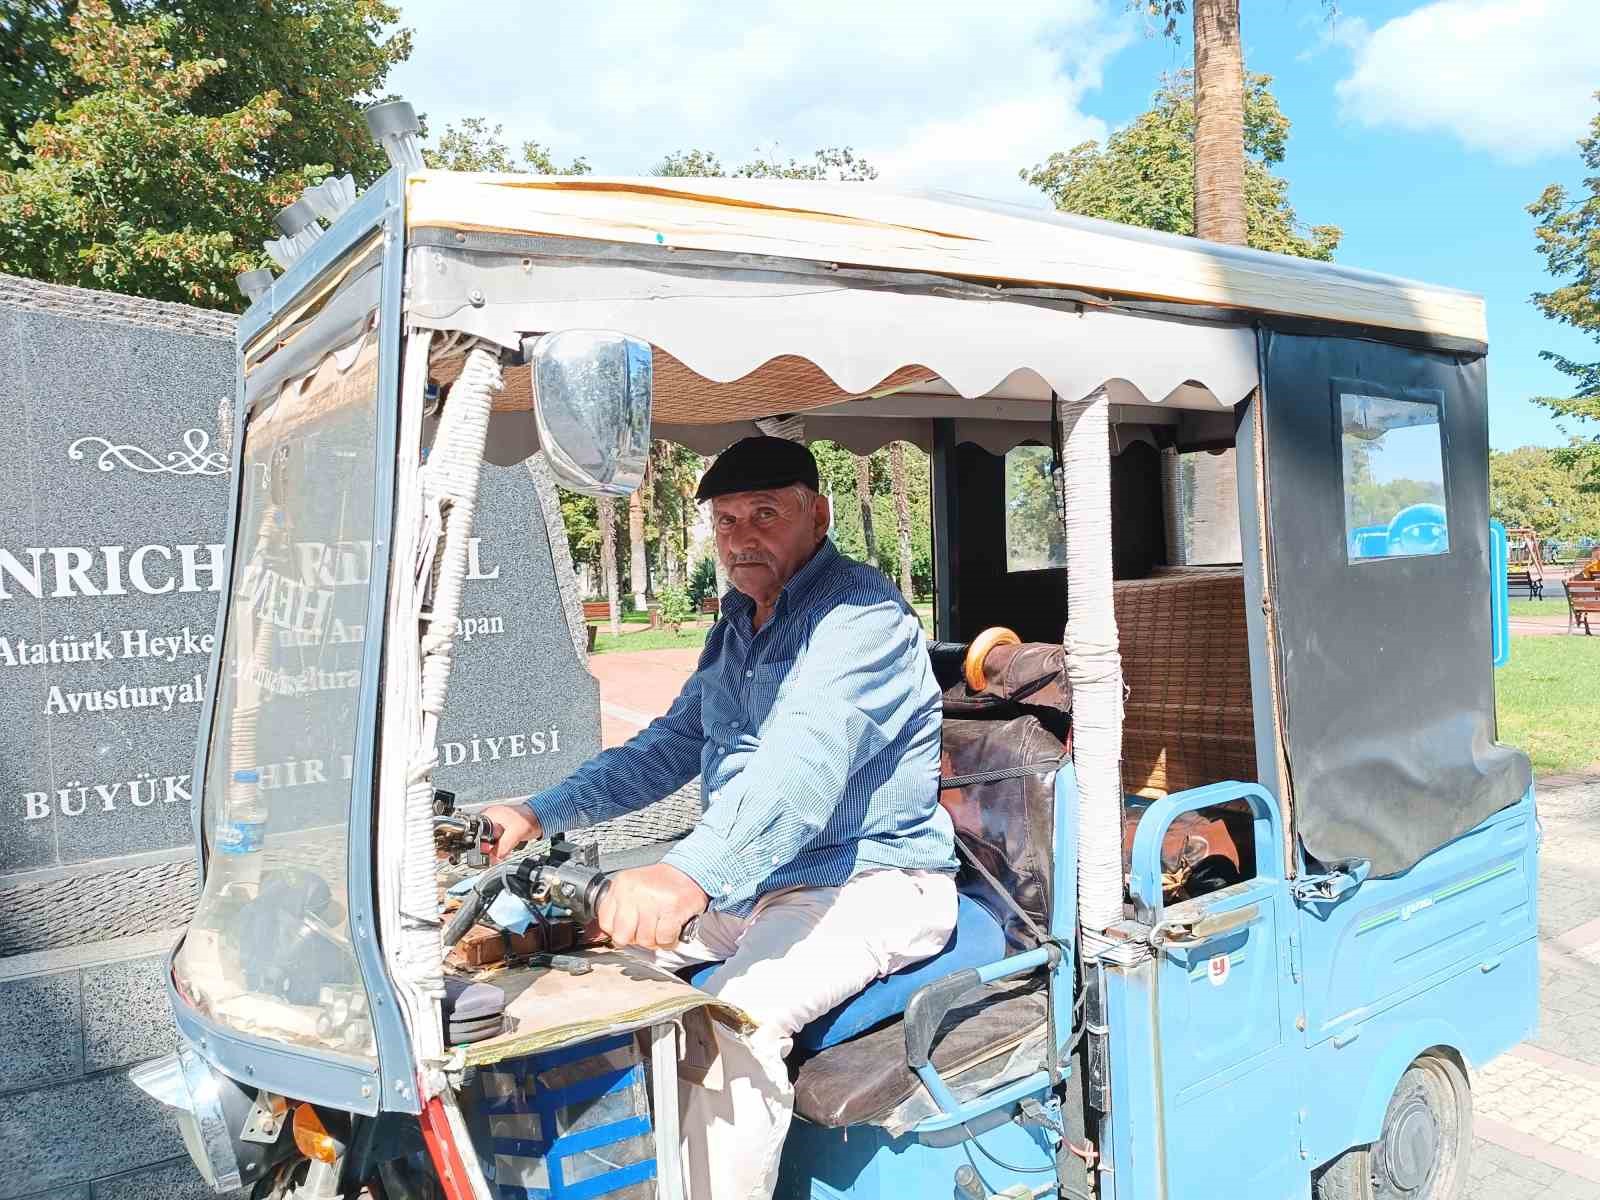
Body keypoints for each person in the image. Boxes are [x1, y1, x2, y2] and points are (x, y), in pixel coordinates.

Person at [483, 435, 956, 1199]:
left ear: (818, 515)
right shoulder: (739, 622)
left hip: (870, 876)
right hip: (760, 885)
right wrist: (539, 812)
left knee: (735, 1021)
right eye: (727, 520)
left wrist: (686, 873)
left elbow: (801, 762)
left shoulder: (861, 614)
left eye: (765, 514)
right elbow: (671, 744)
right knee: (574, 969)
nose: (742, 538)